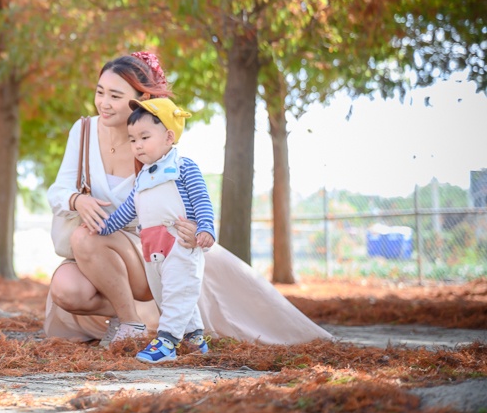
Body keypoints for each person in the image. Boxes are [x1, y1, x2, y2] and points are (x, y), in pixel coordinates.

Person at [45, 51, 332, 347]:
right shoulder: (84, 130)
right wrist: (76, 200)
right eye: (100, 92)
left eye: (115, 96)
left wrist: (196, 226)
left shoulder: (154, 139)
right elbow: (58, 190)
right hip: (96, 252)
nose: (104, 103)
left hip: (148, 251)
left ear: (139, 99)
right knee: (66, 289)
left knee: (85, 238)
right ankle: (148, 311)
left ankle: (131, 322)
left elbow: (185, 194)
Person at [99, 97, 214, 363]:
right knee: (167, 293)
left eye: (144, 137)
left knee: (178, 289)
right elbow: (129, 209)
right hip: (152, 248)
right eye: (132, 139)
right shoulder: (143, 177)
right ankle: (195, 337)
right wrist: (103, 227)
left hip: (180, 243)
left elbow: (202, 201)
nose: (137, 145)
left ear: (168, 137)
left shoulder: (183, 167)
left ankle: (167, 342)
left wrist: (205, 228)